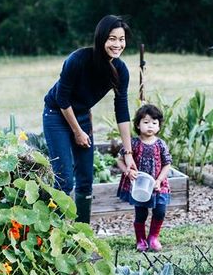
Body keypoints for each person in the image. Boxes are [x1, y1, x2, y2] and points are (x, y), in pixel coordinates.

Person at [43, 15, 136, 224]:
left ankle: (81, 235)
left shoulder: (120, 70)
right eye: (112, 38)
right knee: (64, 179)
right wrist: (77, 132)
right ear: (101, 38)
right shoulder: (78, 60)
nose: (118, 44)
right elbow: (61, 98)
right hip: (57, 115)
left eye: (122, 39)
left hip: (82, 116)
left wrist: (128, 153)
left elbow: (121, 110)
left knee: (86, 180)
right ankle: (54, 233)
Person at [117, 103, 172, 252]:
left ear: (159, 126)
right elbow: (120, 160)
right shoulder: (133, 143)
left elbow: (167, 164)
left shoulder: (161, 144)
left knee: (160, 210)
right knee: (141, 213)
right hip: (140, 186)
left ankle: (153, 237)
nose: (150, 126)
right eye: (146, 122)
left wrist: (159, 180)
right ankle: (140, 239)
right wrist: (127, 172)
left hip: (158, 185)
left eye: (154, 123)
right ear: (138, 124)